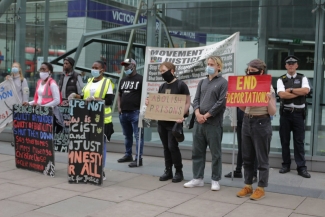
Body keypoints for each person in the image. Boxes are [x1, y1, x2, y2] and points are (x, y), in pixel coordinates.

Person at [183, 56, 228, 191]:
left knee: (215, 153)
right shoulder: (202, 82)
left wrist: (207, 115)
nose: (209, 66)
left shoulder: (223, 83)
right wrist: (197, 114)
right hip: (199, 122)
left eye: (212, 64)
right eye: (208, 64)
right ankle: (198, 178)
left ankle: (215, 179)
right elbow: (196, 99)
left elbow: (221, 103)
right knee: (197, 151)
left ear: (218, 67)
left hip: (213, 123)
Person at [236, 59, 276, 201]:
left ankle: (261, 188)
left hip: (262, 122)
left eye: (252, 72)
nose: (249, 74)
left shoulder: (268, 88)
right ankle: (248, 185)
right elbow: (243, 107)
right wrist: (235, 100)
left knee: (262, 158)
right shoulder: (245, 86)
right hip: (247, 120)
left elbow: (272, 112)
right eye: (248, 71)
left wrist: (268, 100)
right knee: (247, 157)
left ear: (261, 72)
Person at [146, 62, 190, 182]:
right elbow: (159, 103)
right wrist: (150, 103)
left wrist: (181, 115)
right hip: (162, 123)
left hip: (174, 123)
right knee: (166, 147)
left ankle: (178, 171)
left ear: (171, 71)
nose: (162, 73)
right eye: (160, 71)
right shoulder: (162, 86)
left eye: (163, 71)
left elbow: (187, 102)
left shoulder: (181, 85)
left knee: (172, 146)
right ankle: (168, 170)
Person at [73, 60, 114, 180]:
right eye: (92, 67)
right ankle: (90, 168)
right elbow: (84, 97)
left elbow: (110, 101)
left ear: (102, 70)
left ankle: (101, 170)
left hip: (102, 119)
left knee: (100, 146)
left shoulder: (107, 82)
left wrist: (96, 98)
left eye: (96, 67)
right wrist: (76, 96)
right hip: (88, 118)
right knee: (89, 145)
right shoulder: (89, 81)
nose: (94, 69)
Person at [277, 55, 311, 178]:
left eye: (293, 63)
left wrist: (290, 90)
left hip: (298, 114)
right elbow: (282, 95)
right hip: (286, 114)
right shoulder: (281, 79)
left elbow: (306, 91)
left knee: (299, 141)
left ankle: (301, 167)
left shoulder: (303, 78)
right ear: (286, 66)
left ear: (297, 65)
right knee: (285, 140)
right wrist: (297, 92)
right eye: (289, 63)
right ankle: (286, 165)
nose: (291, 65)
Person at [117, 58, 144, 167]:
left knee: (138, 136)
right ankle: (128, 155)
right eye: (124, 66)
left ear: (134, 65)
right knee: (127, 136)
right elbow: (119, 94)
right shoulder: (123, 80)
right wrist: (119, 107)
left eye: (128, 65)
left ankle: (138, 159)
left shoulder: (141, 79)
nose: (126, 67)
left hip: (135, 112)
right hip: (124, 113)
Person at [224, 108, 258, 183]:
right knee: (241, 147)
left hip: (250, 119)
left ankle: (254, 173)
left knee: (253, 148)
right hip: (240, 120)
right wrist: (233, 121)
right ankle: (238, 170)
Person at [6, 62, 30, 147]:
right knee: (14, 123)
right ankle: (15, 139)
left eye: (16, 67)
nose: (14, 68)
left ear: (19, 69)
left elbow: (25, 92)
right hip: (10, 105)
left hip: (20, 105)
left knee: (19, 123)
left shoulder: (23, 80)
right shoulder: (10, 79)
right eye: (13, 67)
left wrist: (25, 101)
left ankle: (19, 139)